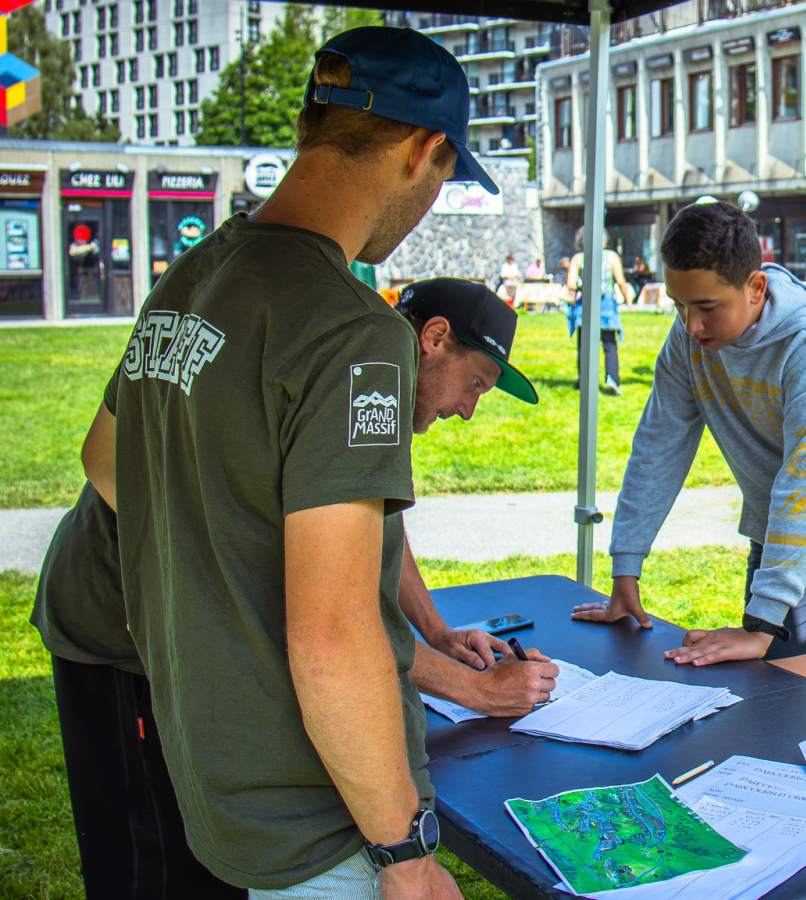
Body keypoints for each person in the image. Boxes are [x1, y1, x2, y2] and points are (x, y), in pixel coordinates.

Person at [78, 27, 509, 899]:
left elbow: (106, 459)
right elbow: (333, 633)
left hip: (214, 758)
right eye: (444, 179)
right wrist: (407, 855)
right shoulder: (353, 329)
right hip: (316, 805)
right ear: (427, 151)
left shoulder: (197, 271)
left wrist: (221, 575)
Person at [36, 277, 555, 900]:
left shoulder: (378, 375)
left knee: (222, 853)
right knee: (158, 859)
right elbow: (328, 615)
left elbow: (375, 521)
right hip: (120, 631)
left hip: (202, 627)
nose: (468, 410)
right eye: (475, 385)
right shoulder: (355, 362)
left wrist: (436, 631)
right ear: (435, 338)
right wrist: (475, 690)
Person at [572, 201, 806, 708]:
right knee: (782, 698)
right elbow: (658, 443)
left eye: (708, 307)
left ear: (756, 288)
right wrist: (626, 566)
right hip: (783, 526)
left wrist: (763, 625)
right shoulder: (688, 340)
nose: (692, 324)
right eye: (680, 305)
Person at [566, 229, 633, 396]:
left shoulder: (578, 258)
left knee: (584, 344)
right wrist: (629, 301)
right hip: (607, 303)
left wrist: (583, 285)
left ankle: (585, 380)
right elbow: (620, 281)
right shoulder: (611, 256)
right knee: (609, 343)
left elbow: (571, 284)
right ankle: (612, 379)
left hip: (586, 303)